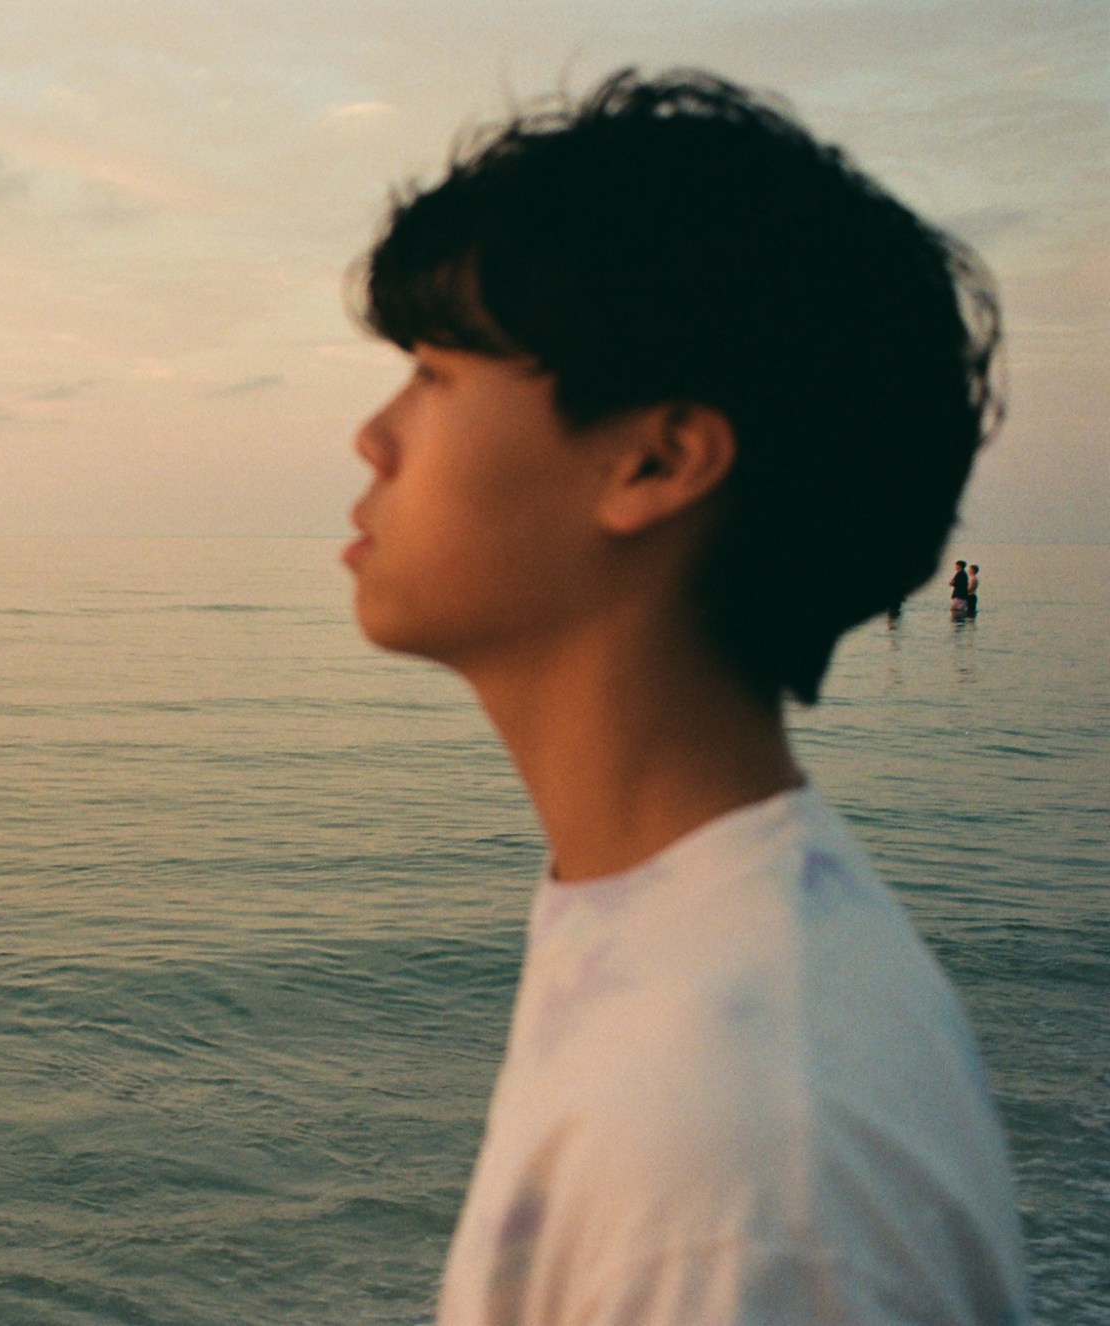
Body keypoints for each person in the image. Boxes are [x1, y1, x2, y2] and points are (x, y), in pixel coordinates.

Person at [344, 69, 1025, 1321]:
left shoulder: (739, 1174)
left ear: (656, 460)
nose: (369, 437)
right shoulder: (688, 945)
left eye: (435, 375)